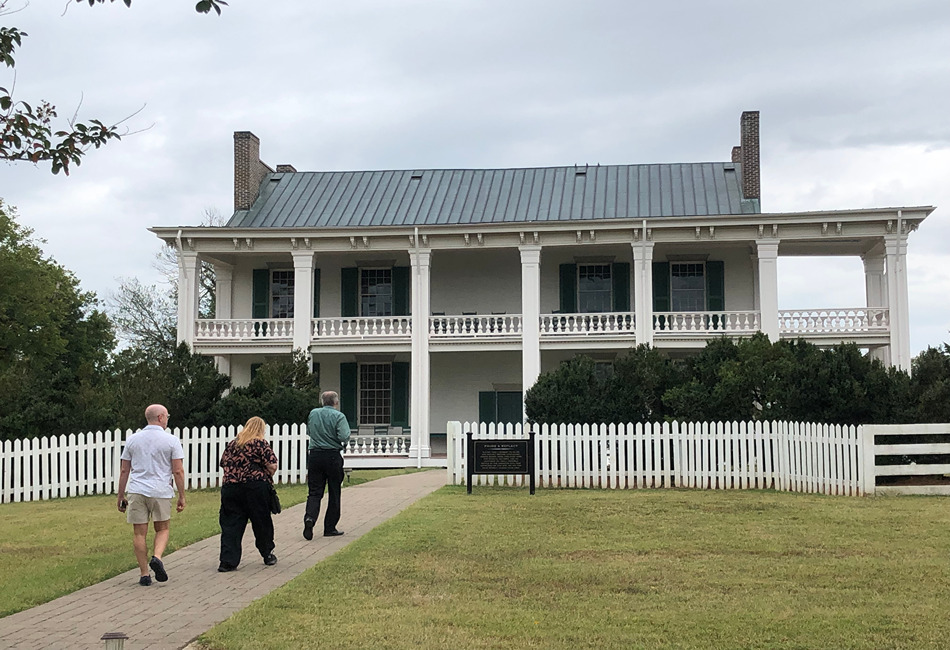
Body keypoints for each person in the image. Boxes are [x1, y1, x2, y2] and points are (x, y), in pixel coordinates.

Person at [116, 404, 186, 587]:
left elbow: (124, 470)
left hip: (137, 490)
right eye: (167, 416)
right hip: (160, 491)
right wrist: (181, 496)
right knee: (162, 528)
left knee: (139, 532)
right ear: (161, 417)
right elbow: (178, 471)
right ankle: (157, 557)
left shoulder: (133, 440)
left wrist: (121, 495)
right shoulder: (171, 440)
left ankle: (144, 574)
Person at [217, 416, 279, 572]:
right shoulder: (260, 443)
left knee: (231, 524)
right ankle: (267, 554)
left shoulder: (232, 444)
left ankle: (227, 561)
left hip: (231, 487)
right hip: (255, 487)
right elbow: (272, 465)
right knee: (261, 521)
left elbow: (223, 463)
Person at [303, 390, 351, 540]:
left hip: (315, 455)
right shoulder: (339, 416)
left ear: (322, 401)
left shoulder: (313, 413)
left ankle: (310, 518)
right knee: (334, 492)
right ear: (335, 402)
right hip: (332, 455)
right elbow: (344, 436)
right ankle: (329, 527)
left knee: (314, 491)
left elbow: (309, 431)